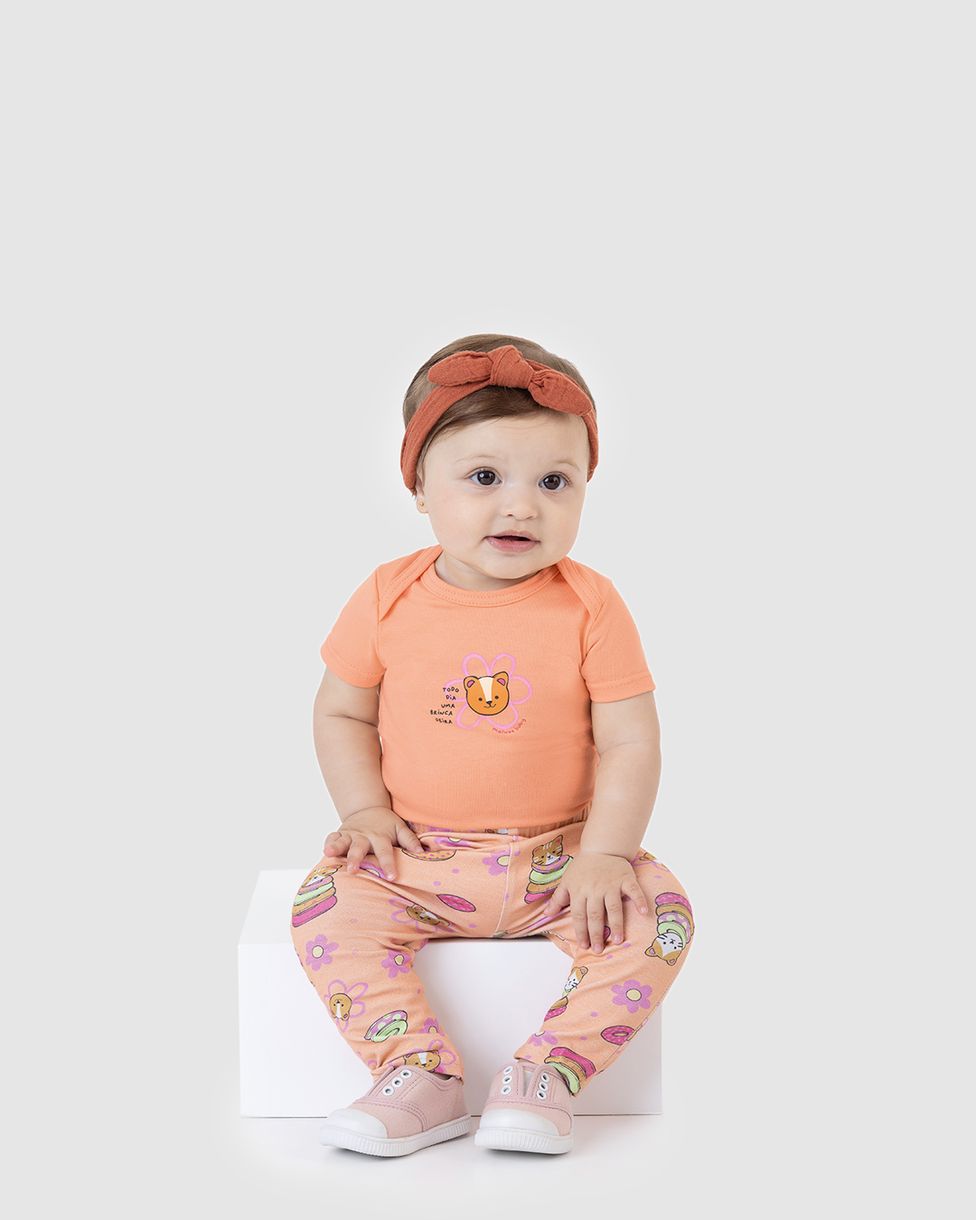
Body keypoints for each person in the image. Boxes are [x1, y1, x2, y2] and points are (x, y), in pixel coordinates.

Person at [289, 334, 696, 1157]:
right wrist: (365, 812)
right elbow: (341, 714)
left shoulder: (591, 604)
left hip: (562, 860)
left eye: (554, 482)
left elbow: (630, 740)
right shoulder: (388, 595)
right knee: (324, 906)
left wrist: (606, 854)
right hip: (421, 857)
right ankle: (420, 1072)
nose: (521, 507)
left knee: (661, 917)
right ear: (419, 488)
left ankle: (547, 1072)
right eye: (484, 478)